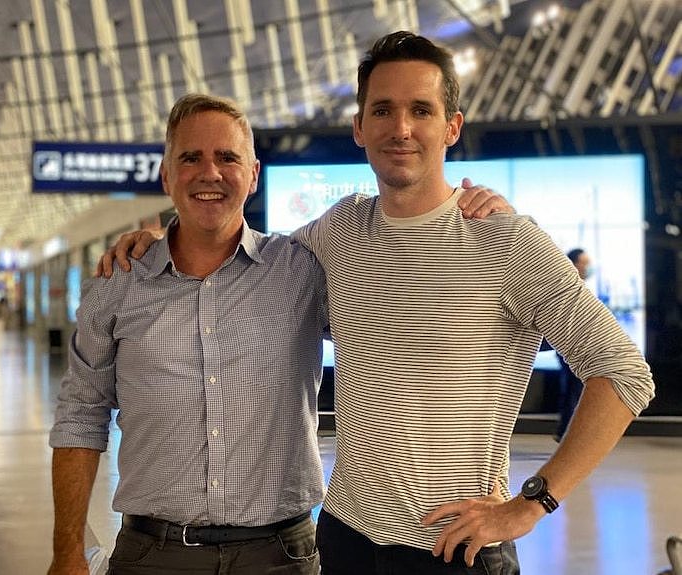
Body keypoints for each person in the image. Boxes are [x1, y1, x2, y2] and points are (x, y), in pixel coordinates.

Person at [100, 32, 654, 575]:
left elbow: (624, 375)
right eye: (383, 110)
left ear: (451, 127)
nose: (402, 128)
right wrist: (162, 240)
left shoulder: (504, 243)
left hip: (453, 548)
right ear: (359, 128)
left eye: (421, 110)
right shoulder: (339, 230)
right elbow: (241, 263)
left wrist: (532, 503)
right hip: (344, 538)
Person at [49, 94, 511, 575]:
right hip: (152, 555)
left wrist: (469, 216)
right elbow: (81, 415)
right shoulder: (119, 284)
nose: (210, 173)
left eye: (228, 157)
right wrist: (66, 555)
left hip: (281, 557)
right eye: (191, 158)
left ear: (252, 175)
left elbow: (411, 329)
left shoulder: (301, 269)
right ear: (167, 176)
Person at [554, 248, 592, 441]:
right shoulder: (567, 286)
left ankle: (565, 431)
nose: (587, 267)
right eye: (584, 263)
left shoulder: (580, 286)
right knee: (572, 388)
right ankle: (567, 433)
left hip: (580, 344)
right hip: (568, 345)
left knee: (573, 388)